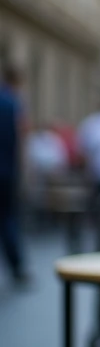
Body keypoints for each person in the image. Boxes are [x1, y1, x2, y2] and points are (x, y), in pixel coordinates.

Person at [0, 66, 28, 284]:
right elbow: (21, 140)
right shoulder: (13, 104)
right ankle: (17, 268)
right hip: (7, 172)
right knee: (8, 219)